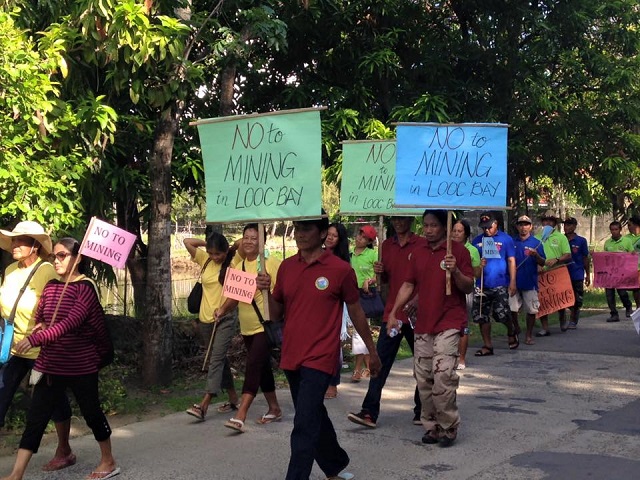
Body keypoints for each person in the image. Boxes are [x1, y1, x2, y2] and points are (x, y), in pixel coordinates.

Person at [256, 215, 381, 480]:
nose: (300, 234)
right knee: (313, 413)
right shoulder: (287, 268)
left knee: (303, 422)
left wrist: (371, 350)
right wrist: (265, 290)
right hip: (292, 354)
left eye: (307, 229)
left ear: (323, 234)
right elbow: (277, 313)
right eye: (298, 229)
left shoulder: (340, 270)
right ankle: (335, 464)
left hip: (321, 357)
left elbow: (356, 310)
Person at [2, 237, 117, 480]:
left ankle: (108, 461)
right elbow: (42, 315)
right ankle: (16, 474)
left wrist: (35, 339)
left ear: (79, 258)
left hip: (81, 364)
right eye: (55, 256)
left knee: (92, 413)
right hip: (51, 363)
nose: (56, 260)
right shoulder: (52, 285)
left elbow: (69, 324)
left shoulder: (86, 288)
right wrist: (39, 325)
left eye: (63, 255)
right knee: (36, 417)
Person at [388, 210, 474, 447]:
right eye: (425, 225)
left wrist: (455, 270)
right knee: (424, 377)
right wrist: (395, 312)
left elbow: (468, 287)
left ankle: (449, 426)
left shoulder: (459, 252)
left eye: (433, 225)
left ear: (444, 228)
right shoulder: (418, 252)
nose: (428, 230)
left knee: (443, 375)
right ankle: (432, 425)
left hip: (449, 322)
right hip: (424, 324)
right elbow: (409, 283)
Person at [0, 222, 76, 473]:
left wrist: (43, 325)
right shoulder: (10, 270)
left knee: (53, 402)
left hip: (41, 350)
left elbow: (60, 302)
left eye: (21, 241)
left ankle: (64, 450)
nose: (15, 245)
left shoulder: (46, 270)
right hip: (11, 349)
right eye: (14, 240)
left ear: (35, 246)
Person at [347, 216, 424, 428]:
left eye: (402, 218)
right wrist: (379, 275)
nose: (398, 222)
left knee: (423, 363)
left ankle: (422, 409)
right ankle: (369, 411)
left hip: (417, 314)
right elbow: (387, 280)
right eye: (394, 219)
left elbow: (424, 278)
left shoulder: (421, 244)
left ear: (410, 219)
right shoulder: (386, 247)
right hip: (393, 315)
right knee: (379, 361)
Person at [221, 224, 282, 432]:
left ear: (263, 241)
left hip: (264, 325)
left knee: (253, 365)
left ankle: (241, 414)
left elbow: (284, 296)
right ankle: (274, 407)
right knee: (262, 367)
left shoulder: (271, 264)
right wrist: (222, 309)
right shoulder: (237, 267)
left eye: (254, 238)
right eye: (246, 237)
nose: (248, 241)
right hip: (246, 327)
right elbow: (234, 297)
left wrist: (268, 287)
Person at [184, 233, 240, 420]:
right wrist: (208, 243)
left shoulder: (234, 262)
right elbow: (187, 242)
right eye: (212, 253)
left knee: (215, 359)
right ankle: (233, 398)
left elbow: (241, 243)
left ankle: (204, 403)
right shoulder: (205, 260)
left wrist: (230, 249)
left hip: (225, 317)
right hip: (205, 319)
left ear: (225, 251)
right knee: (220, 359)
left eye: (218, 253)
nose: (215, 257)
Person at [471, 212, 517, 356]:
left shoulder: (506, 239)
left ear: (496, 223)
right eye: (484, 227)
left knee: (501, 314)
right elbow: (473, 263)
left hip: (500, 283)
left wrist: (513, 281)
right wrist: (480, 265)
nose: (487, 230)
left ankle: (511, 330)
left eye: (489, 227)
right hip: (482, 284)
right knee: (481, 315)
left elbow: (511, 260)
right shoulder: (477, 241)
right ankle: (487, 345)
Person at [323, 223, 350, 399]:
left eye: (335, 235)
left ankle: (333, 382)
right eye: (329, 234)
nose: (330, 238)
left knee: (335, 346)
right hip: (319, 305)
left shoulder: (343, 262)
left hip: (338, 305)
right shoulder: (317, 254)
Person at [450, 219, 482, 369]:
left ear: (466, 234)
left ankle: (461, 358)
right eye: (454, 231)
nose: (456, 234)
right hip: (448, 289)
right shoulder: (447, 248)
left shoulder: (472, 250)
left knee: (463, 324)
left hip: (465, 290)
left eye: (459, 231)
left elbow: (476, 273)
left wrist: (480, 267)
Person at [510, 215, 546, 346]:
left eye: (526, 225)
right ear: (517, 227)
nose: (523, 227)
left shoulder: (536, 243)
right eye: (520, 224)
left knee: (531, 310)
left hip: (530, 281)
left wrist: (536, 255)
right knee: (512, 308)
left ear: (530, 227)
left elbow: (543, 262)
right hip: (513, 281)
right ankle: (516, 327)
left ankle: (529, 335)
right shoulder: (512, 242)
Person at [349, 225, 378, 382]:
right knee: (360, 331)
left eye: (363, 237)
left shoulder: (373, 254)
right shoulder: (350, 254)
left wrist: (371, 280)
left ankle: (358, 369)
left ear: (369, 241)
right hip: (352, 294)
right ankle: (368, 366)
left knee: (359, 331)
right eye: (359, 235)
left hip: (366, 296)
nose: (359, 238)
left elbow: (378, 273)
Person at [535, 214, 572, 335]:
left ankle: (562, 319)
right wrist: (537, 265)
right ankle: (545, 327)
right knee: (542, 300)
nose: (547, 223)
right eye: (545, 220)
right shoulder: (536, 238)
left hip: (557, 271)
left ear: (554, 223)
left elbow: (567, 254)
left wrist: (557, 259)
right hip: (541, 273)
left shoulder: (561, 238)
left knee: (559, 298)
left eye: (550, 221)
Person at [560, 217, 591, 329]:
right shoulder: (560, 239)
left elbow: (585, 258)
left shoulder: (581, 241)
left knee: (576, 298)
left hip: (576, 273)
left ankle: (573, 320)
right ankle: (562, 320)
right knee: (562, 298)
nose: (566, 227)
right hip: (562, 273)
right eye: (565, 225)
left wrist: (587, 274)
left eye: (569, 225)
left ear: (574, 226)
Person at [603, 221, 634, 322]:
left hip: (622, 273)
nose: (614, 231)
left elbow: (632, 256)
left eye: (616, 229)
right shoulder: (607, 243)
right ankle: (614, 314)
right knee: (609, 294)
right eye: (612, 230)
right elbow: (604, 258)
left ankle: (628, 306)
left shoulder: (627, 241)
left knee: (622, 292)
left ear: (620, 230)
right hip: (610, 273)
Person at [625, 215, 640, 310]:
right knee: (636, 289)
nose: (628, 227)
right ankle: (638, 308)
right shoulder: (626, 239)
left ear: (636, 225)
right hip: (633, 268)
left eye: (629, 225)